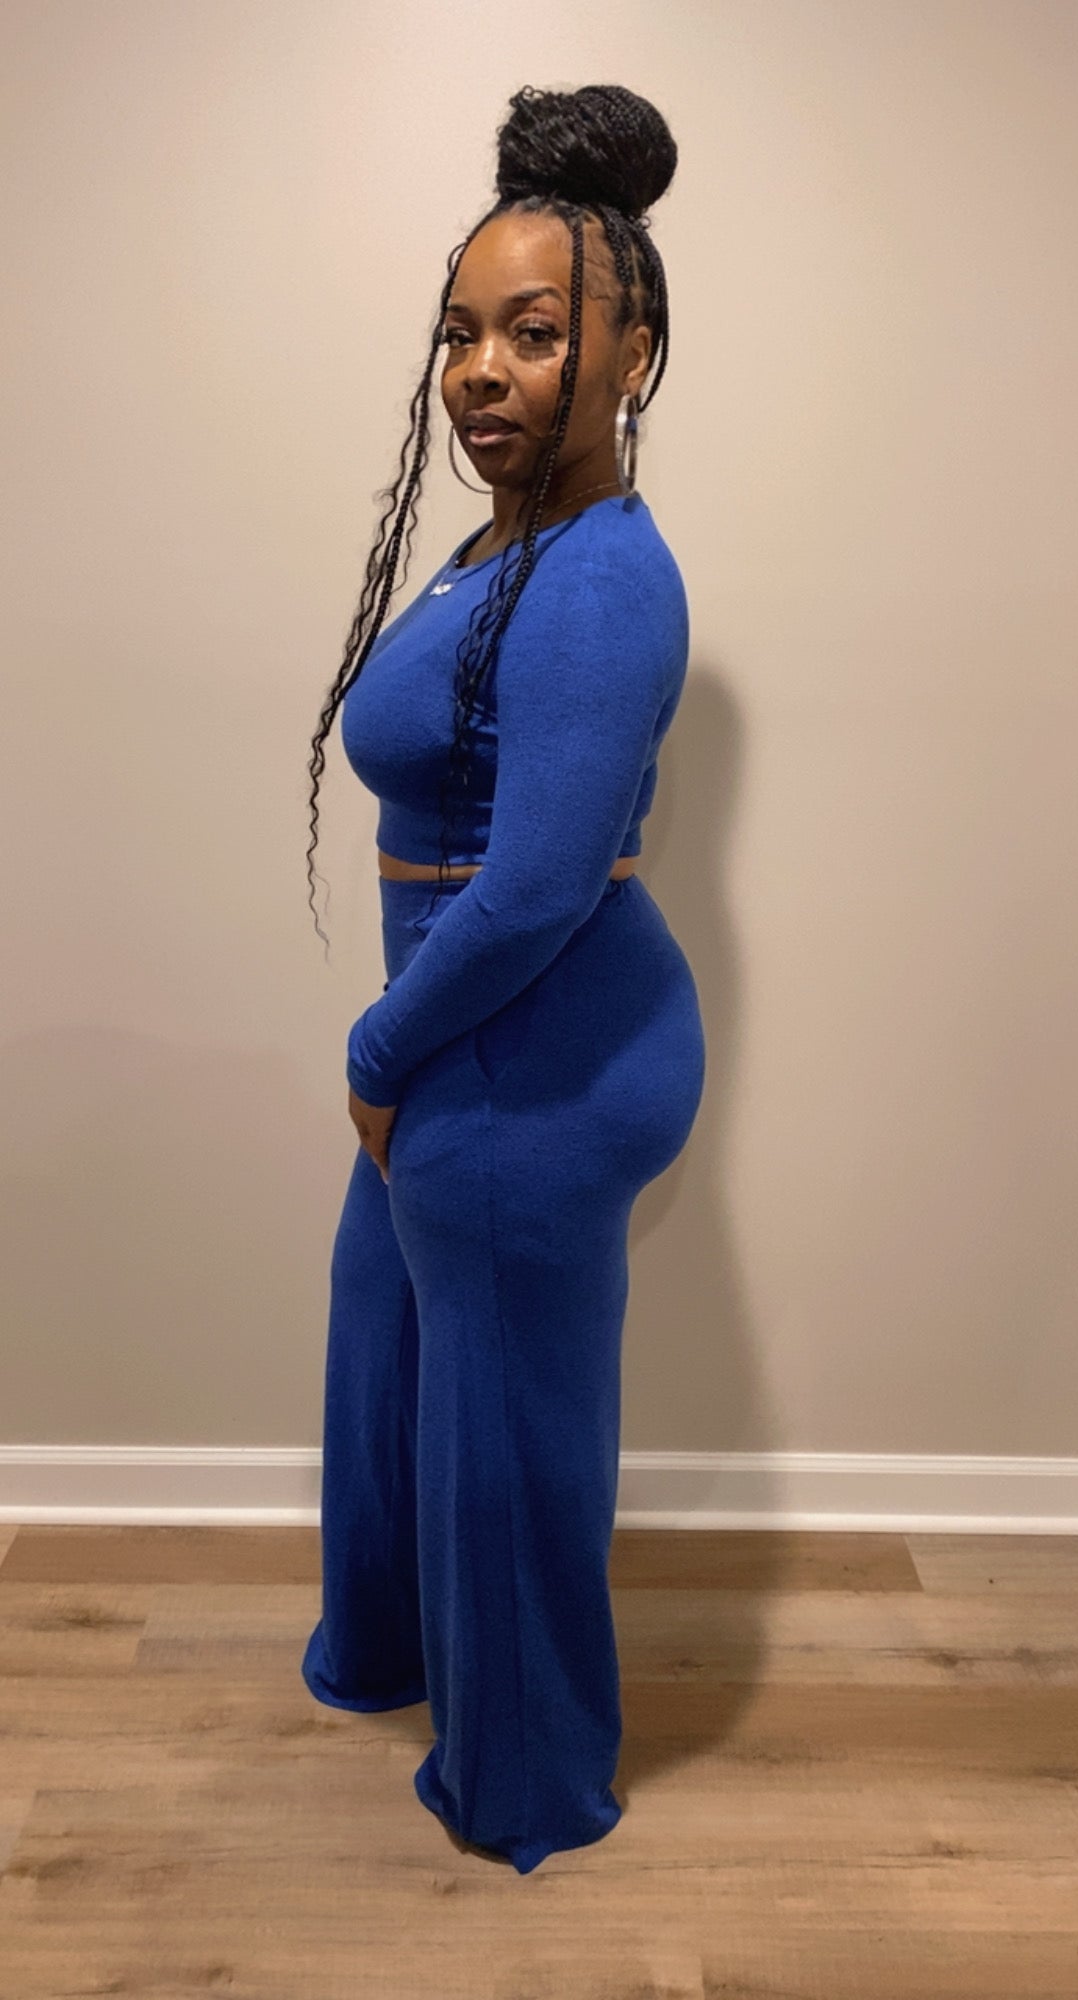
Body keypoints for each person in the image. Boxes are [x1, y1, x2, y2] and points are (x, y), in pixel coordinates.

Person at [299, 83, 706, 1874]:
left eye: (533, 334)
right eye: (461, 332)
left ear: (631, 355)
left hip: (525, 1047)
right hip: (475, 1032)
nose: (481, 370)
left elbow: (536, 885)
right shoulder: (507, 540)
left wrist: (378, 1050)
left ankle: (526, 1780)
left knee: (502, 1438)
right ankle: (389, 1649)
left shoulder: (603, 579)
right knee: (387, 1348)